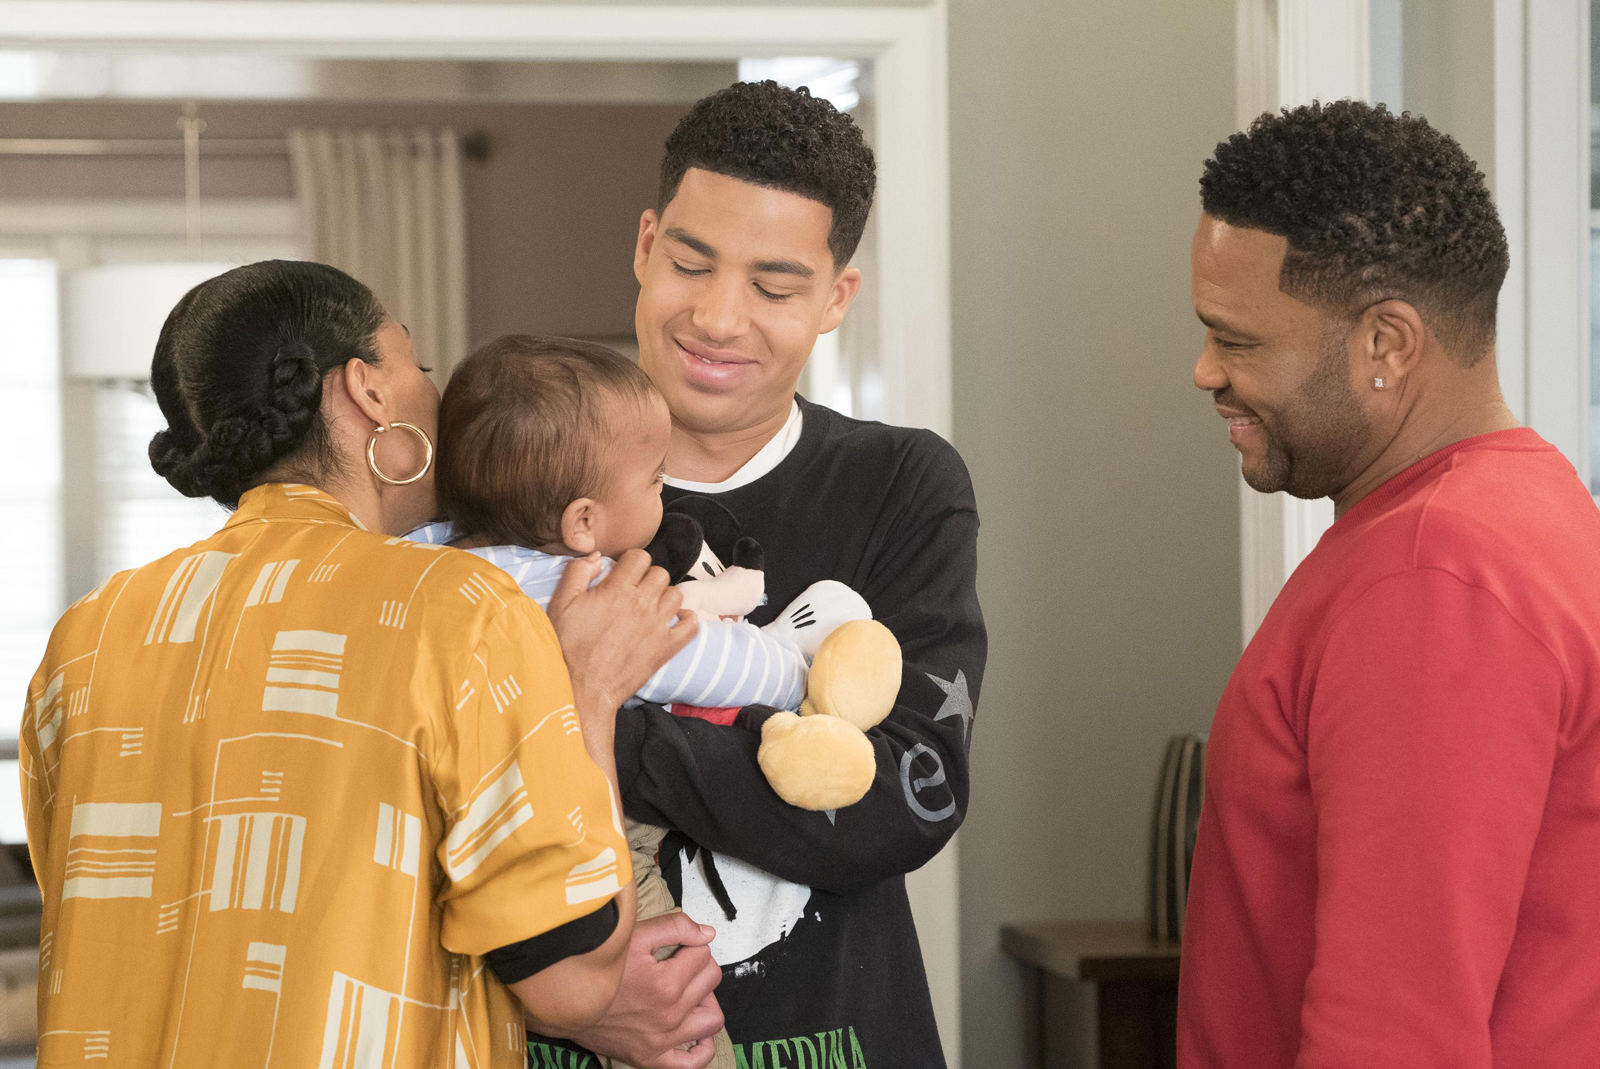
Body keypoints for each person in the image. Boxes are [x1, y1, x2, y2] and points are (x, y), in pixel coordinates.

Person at [20, 260, 694, 1068]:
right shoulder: (458, 610)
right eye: (422, 369)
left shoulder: (85, 638)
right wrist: (587, 693)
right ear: (366, 392)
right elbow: (574, 978)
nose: (438, 400)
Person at [530, 81, 988, 1069]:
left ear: (834, 298)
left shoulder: (901, 484)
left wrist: (586, 705)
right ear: (646, 246)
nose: (718, 316)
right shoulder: (516, 469)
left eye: (774, 287)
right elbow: (432, 792)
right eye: (691, 263)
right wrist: (573, 1003)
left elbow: (899, 800)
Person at [1178, 100, 1600, 1068]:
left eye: (1237, 340)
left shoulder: (1436, 574)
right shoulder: (1519, 510)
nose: (1204, 369)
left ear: (1386, 345)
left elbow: (1394, 1036)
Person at [414, 333, 891, 1069]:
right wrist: (792, 670)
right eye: (655, 478)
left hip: (468, 846)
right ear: (582, 523)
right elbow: (710, 660)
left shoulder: (429, 568)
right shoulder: (597, 592)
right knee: (675, 1017)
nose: (666, 495)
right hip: (589, 833)